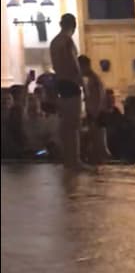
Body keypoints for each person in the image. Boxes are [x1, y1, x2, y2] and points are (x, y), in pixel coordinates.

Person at [49, 13, 83, 170]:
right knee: (73, 125)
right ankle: (74, 160)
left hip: (61, 83)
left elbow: (56, 65)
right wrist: (82, 81)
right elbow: (73, 62)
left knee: (65, 125)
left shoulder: (54, 42)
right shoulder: (67, 41)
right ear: (73, 25)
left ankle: (67, 160)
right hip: (71, 83)